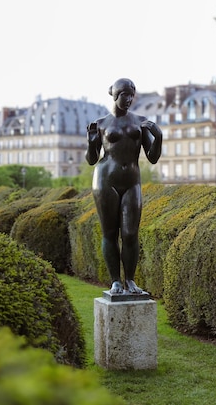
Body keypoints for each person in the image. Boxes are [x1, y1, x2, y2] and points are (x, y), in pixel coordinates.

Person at [85, 78, 162, 294]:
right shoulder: (101, 124)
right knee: (110, 232)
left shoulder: (141, 122)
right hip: (105, 181)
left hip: (131, 182)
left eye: (132, 95)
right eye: (125, 95)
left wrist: (159, 137)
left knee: (130, 233)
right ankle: (115, 281)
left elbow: (153, 157)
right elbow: (91, 159)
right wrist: (91, 143)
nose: (129, 99)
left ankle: (130, 280)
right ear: (115, 95)